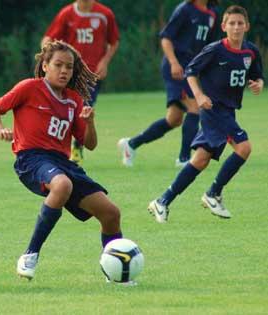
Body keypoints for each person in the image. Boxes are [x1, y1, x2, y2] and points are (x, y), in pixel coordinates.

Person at [0, 40, 125, 281]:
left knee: (111, 214)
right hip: (31, 158)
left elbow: (89, 144)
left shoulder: (74, 100)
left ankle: (117, 271)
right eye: (58, 65)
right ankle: (30, 255)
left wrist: (89, 122)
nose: (64, 71)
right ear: (45, 66)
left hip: (63, 162)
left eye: (69, 67)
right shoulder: (29, 88)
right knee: (62, 185)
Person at [147, 5, 264, 223]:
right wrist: (199, 96)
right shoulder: (215, 49)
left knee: (200, 160)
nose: (236, 27)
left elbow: (257, 76)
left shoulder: (251, 51)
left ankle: (162, 201)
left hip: (228, 111)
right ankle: (213, 193)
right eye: (232, 23)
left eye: (240, 23)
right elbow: (191, 71)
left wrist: (258, 84)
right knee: (244, 147)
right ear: (224, 26)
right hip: (213, 109)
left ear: (246, 26)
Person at [118, 0, 219, 167]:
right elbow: (166, 38)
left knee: (174, 119)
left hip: (191, 69)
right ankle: (184, 158)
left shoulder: (213, 12)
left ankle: (132, 144)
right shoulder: (185, 9)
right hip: (177, 68)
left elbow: (210, 46)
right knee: (195, 107)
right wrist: (173, 62)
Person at [42, 0, 120, 164]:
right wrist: (48, 59)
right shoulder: (67, 14)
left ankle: (77, 147)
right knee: (62, 109)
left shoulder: (105, 14)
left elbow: (114, 41)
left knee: (84, 109)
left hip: (91, 74)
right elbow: (48, 38)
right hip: (68, 72)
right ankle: (54, 147)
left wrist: (104, 62)